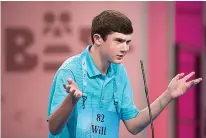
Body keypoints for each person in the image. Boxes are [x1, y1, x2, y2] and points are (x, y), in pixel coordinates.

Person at [47, 10, 202, 138]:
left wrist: (168, 95)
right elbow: (54, 128)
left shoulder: (119, 72)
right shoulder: (70, 71)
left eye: (127, 42)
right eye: (119, 41)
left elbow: (133, 125)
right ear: (98, 39)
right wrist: (72, 100)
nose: (125, 48)